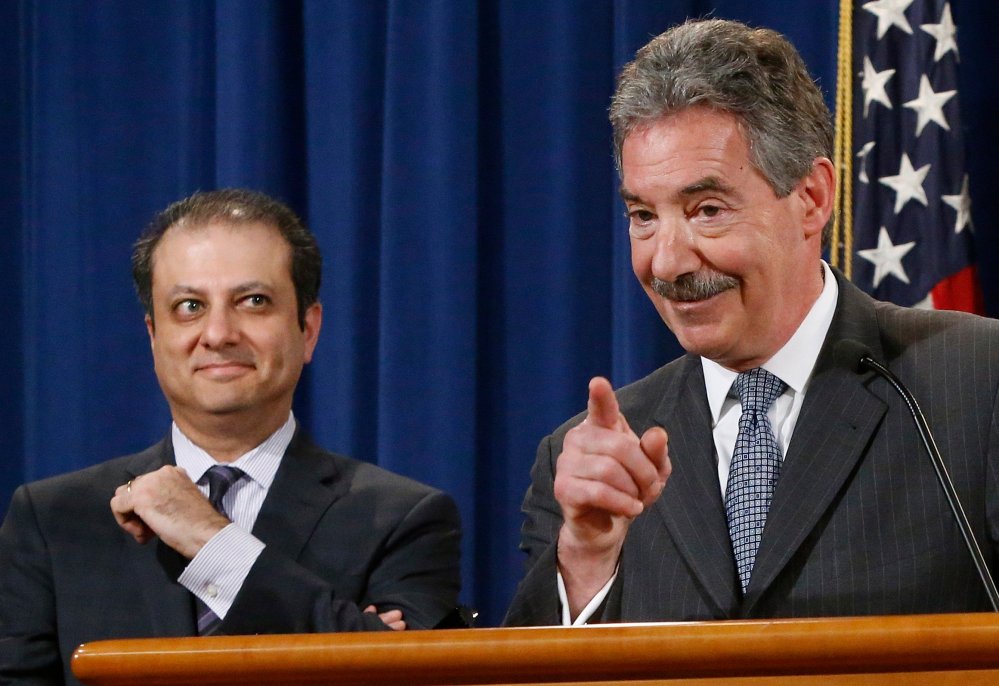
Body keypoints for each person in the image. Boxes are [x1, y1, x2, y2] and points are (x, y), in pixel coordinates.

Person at [505, 19, 999, 626]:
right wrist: (585, 556)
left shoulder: (976, 386)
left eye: (707, 210)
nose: (667, 260)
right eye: (642, 216)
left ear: (812, 199)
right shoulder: (591, 460)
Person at [0, 189, 462, 684]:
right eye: (189, 306)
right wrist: (345, 630)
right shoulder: (52, 520)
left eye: (253, 301)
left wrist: (210, 540)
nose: (218, 333)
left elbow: (396, 673)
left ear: (307, 330)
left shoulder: (405, 520)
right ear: (154, 337)